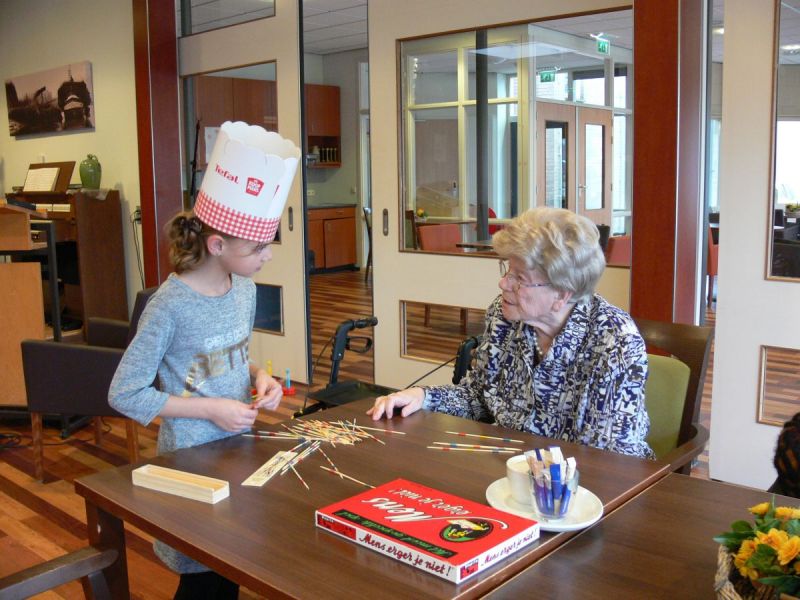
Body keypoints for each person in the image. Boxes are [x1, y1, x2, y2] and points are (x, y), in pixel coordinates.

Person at [110, 121, 300, 599]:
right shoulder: (169, 306)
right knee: (202, 575)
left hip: (241, 449)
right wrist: (210, 409)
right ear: (217, 245)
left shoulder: (246, 289)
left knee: (233, 562)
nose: (267, 256)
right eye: (258, 247)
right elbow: (125, 393)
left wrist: (261, 377)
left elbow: (231, 354)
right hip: (191, 457)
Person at [368, 207, 654, 459]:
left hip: (580, 492)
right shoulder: (504, 317)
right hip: (512, 476)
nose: (503, 283)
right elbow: (479, 396)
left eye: (520, 278)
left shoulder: (614, 341)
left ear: (562, 294)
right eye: (508, 270)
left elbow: (609, 459)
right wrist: (422, 396)